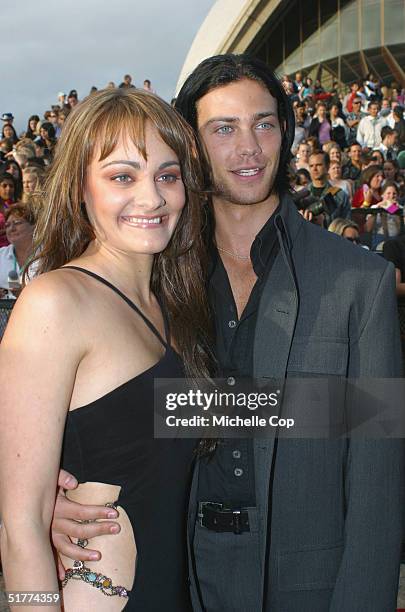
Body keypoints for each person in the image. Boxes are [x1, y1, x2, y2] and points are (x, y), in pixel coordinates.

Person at [53, 54, 403, 612]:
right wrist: (54, 489)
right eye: (223, 129)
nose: (249, 148)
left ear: (286, 131)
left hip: (309, 586)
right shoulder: (154, 280)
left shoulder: (361, 281)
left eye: (264, 123)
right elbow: (108, 415)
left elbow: (379, 483)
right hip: (177, 574)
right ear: (190, 144)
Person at [0, 88, 212, 611]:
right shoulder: (56, 302)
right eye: (122, 176)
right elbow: (20, 529)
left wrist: (374, 409)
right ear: (79, 188)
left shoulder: (174, 306)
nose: (153, 198)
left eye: (167, 175)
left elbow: (234, 413)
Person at [0, 203, 35, 298]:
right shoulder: (1, 255)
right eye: (7, 225)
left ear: (33, 227)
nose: (11, 229)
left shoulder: (47, 256)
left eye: (17, 223)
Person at [308, 150, 351, 223]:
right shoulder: (302, 195)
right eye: (311, 166)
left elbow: (346, 223)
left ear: (327, 167)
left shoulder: (340, 195)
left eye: (318, 165)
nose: (314, 169)